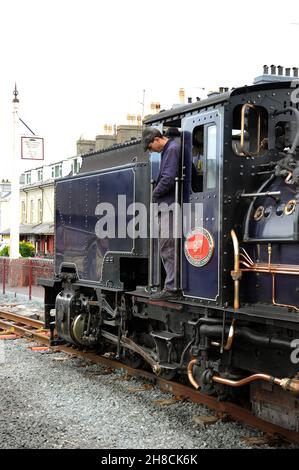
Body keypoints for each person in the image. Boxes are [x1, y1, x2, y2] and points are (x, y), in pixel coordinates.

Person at [142, 127, 181, 300]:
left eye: (150, 147)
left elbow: (168, 177)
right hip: (172, 204)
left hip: (170, 205)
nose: (151, 151)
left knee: (167, 245)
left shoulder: (171, 149)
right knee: (168, 245)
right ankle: (172, 284)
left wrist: (154, 194)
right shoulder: (173, 148)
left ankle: (172, 287)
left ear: (157, 139)